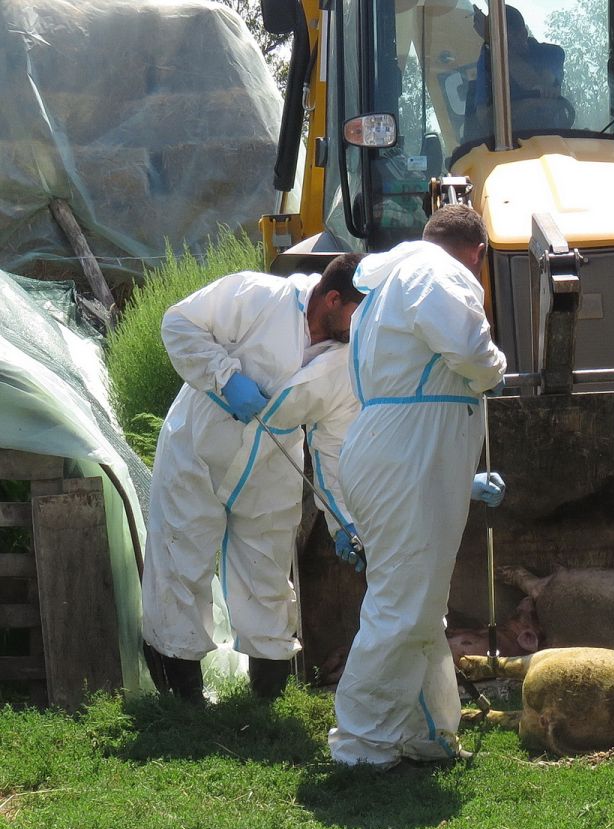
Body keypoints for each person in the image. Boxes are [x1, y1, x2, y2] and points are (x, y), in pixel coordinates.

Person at [142, 253, 367, 703]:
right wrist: (225, 379)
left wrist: (344, 523)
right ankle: (183, 703)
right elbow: (180, 324)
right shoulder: (259, 296)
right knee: (181, 564)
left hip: (272, 461)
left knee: (266, 575)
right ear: (332, 299)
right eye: (357, 315)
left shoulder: (349, 361)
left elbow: (331, 448)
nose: (362, 329)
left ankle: (265, 702)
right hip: (198, 448)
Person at [328, 203, 507, 767]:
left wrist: (458, 477)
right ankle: (359, 745)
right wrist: (495, 367)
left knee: (420, 608)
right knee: (402, 610)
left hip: (394, 453)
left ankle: (426, 734)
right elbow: (473, 353)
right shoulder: (437, 272)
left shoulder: (388, 286)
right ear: (477, 253)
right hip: (408, 461)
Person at [467, 4, 570, 138]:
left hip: (552, 140)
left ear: (523, 34)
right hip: (510, 148)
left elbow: (540, 89)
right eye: (500, 45)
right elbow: (484, 118)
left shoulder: (551, 54)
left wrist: (495, 42)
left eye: (506, 44)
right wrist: (528, 104)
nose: (502, 50)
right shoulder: (488, 62)